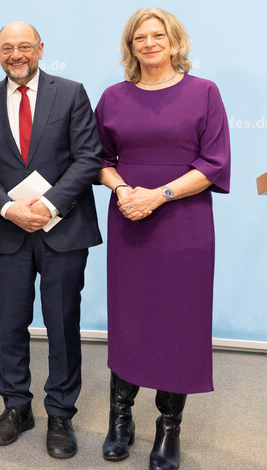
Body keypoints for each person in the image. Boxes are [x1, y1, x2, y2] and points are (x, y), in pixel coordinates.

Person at [95, 9, 231, 470]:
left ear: (174, 41)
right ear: (130, 47)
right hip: (129, 217)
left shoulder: (204, 92)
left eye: (158, 35)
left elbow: (214, 164)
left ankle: (168, 428)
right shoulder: (113, 96)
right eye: (140, 37)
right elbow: (96, 157)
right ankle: (120, 419)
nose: (149, 43)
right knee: (130, 317)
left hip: (184, 222)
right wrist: (123, 190)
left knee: (179, 321)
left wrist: (160, 194)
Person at [0, 21, 102, 459]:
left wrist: (47, 205)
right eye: (8, 48)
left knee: (62, 324)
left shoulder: (71, 92)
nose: (16, 54)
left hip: (63, 228)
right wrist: (9, 208)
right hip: (8, 230)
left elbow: (88, 159)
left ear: (41, 49)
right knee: (10, 322)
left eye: (24, 46)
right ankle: (17, 407)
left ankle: (60, 413)